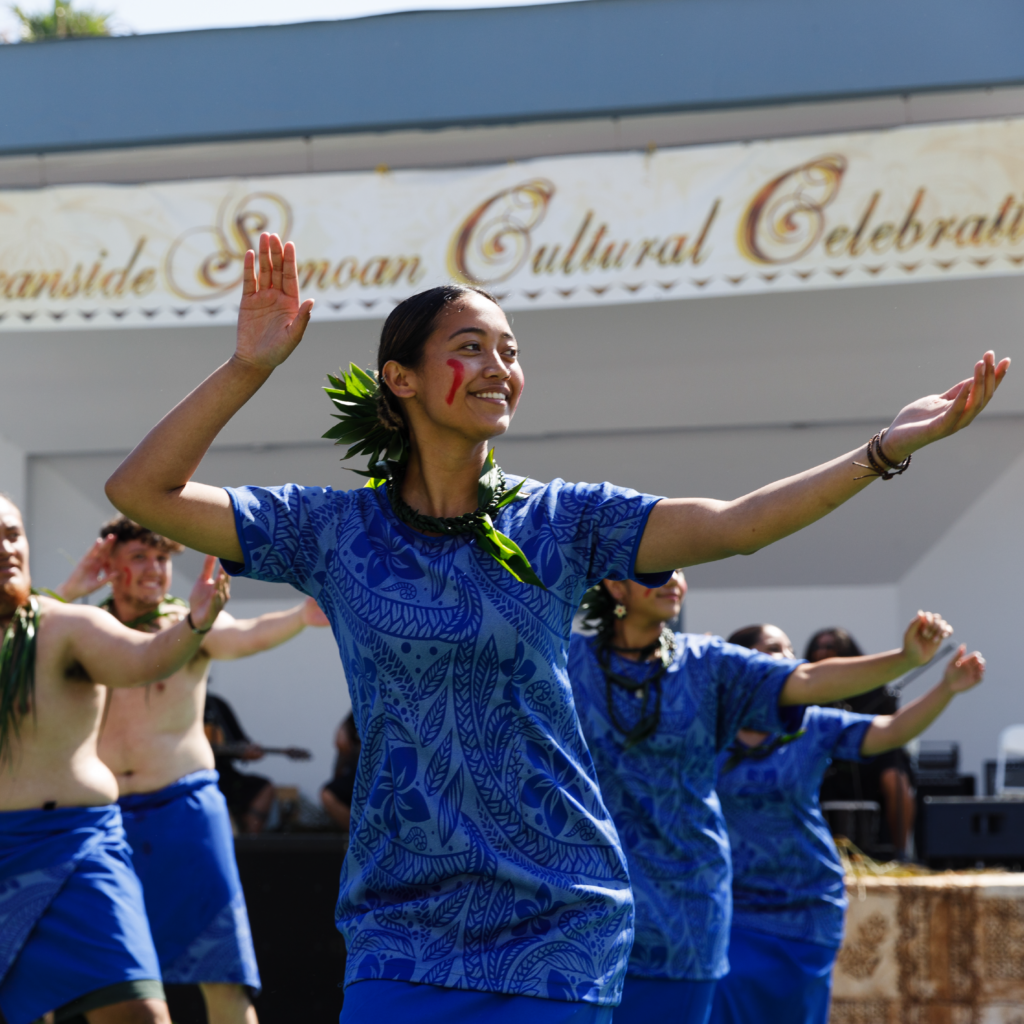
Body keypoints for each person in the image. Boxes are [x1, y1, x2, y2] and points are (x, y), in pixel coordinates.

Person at [101, 231, 1006, 1022]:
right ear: (402, 378)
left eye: (510, 349)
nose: (500, 366)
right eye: (471, 347)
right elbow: (142, 492)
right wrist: (249, 367)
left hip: (559, 914)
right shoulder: (332, 531)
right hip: (400, 916)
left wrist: (885, 449)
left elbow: (734, 524)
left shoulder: (564, 521)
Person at [567, 572, 953, 1024]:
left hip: (691, 908)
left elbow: (812, 681)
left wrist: (906, 659)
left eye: (679, 568)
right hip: (599, 906)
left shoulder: (708, 666)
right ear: (615, 586)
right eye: (657, 569)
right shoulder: (567, 659)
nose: (674, 579)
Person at [56, 515, 330, 1024]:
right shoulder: (83, 630)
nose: (156, 569)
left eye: (162, 558)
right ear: (108, 565)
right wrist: (70, 591)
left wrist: (299, 616)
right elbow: (25, 643)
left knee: (223, 975)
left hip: (184, 812)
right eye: (140, 557)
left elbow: (243, 634)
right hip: (105, 821)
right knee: (106, 978)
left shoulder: (191, 622)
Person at [0, 494, 228, 1024]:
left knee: (138, 1014)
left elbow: (141, 659)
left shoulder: (65, 627)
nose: (8, 548)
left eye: (13, 534)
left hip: (76, 847)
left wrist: (194, 622)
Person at [711, 623, 984, 1024]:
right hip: (731, 907)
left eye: (790, 649)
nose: (790, 659)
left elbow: (890, 731)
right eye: (773, 649)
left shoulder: (813, 724)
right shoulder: (705, 731)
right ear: (741, 664)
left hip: (803, 908)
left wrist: (946, 689)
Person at [806, 627, 916, 857]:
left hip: (873, 756)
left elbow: (891, 726)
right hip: (824, 756)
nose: (823, 652)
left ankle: (900, 852)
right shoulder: (805, 687)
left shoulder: (871, 684)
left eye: (830, 646)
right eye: (818, 647)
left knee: (894, 779)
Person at [203, 691, 275, 834]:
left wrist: (247, 752)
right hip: (185, 777)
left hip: (223, 775)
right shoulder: (169, 706)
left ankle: (247, 843)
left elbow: (239, 742)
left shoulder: (215, 705)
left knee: (263, 788)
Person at [320, 713, 361, 830]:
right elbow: (345, 728)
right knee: (329, 795)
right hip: (359, 768)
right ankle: (360, 834)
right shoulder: (372, 699)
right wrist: (343, 731)